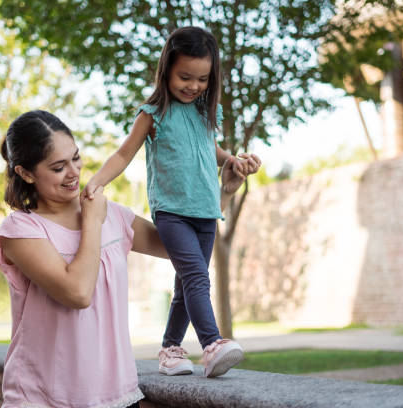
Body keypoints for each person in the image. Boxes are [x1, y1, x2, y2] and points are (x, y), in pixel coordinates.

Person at [0, 110, 252, 408]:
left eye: (75, 158)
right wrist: (92, 222)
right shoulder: (20, 230)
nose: (74, 172)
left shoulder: (113, 215)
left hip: (119, 397)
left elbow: (182, 250)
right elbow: (77, 292)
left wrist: (222, 196)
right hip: (43, 400)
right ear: (26, 173)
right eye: (58, 167)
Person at [82, 26, 261, 379]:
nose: (193, 86)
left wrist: (233, 160)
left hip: (206, 212)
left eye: (202, 79)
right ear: (166, 70)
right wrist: (96, 182)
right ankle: (212, 344)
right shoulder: (152, 113)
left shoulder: (203, 112)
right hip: (172, 213)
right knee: (196, 276)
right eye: (185, 77)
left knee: (185, 282)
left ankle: (170, 349)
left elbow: (211, 149)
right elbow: (123, 154)